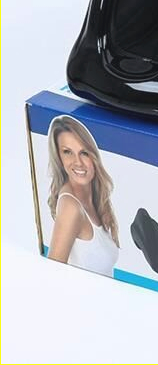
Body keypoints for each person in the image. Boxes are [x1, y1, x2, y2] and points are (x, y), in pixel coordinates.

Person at [47, 115, 119, 277]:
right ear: (59, 157)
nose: (77, 162)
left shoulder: (96, 200)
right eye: (67, 152)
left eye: (84, 153)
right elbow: (52, 274)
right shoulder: (71, 207)